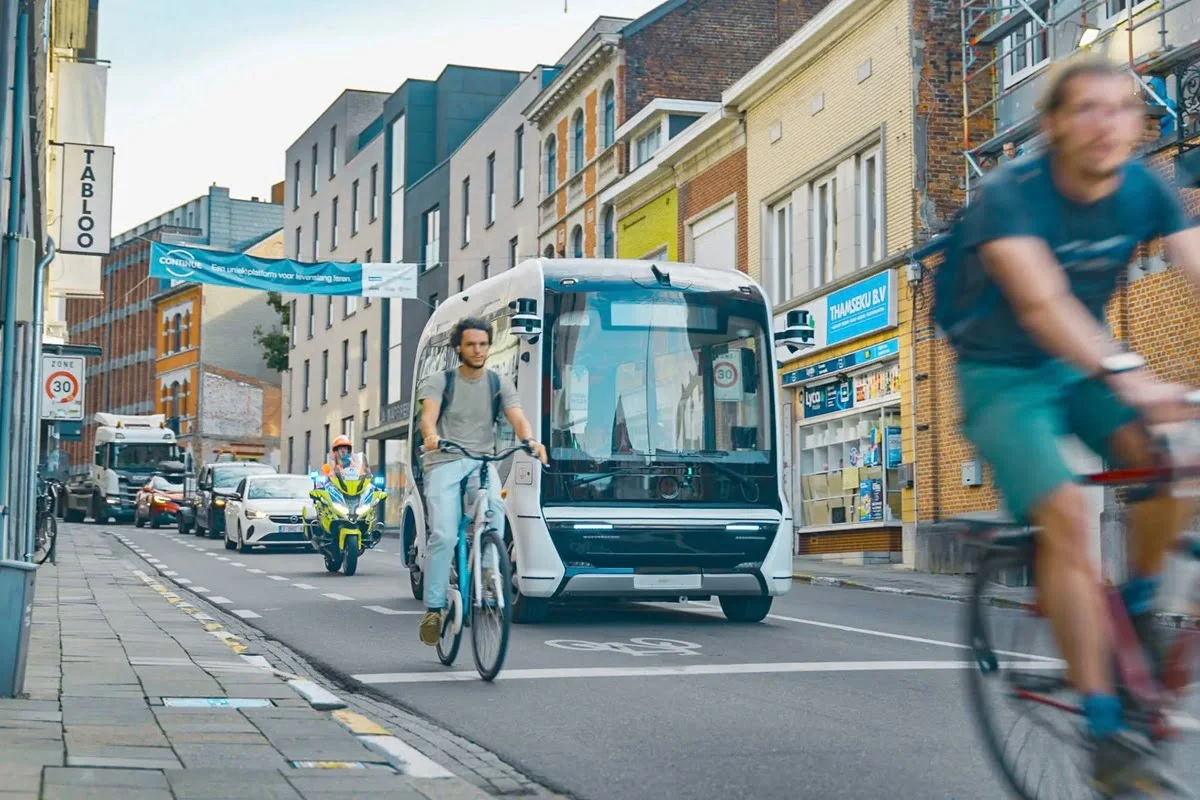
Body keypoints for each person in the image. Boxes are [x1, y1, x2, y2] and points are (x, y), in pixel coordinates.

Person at [948, 53, 1200, 797]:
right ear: (1054, 125)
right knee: (1065, 513)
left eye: (1122, 108)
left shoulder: (1144, 188)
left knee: (1170, 459)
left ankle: (1145, 606)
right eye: (1085, 109)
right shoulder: (1009, 197)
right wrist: (1133, 376)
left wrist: (1134, 385)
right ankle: (1102, 730)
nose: (1106, 124)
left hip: (1082, 366)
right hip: (1003, 374)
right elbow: (1044, 306)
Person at [416, 317, 548, 645]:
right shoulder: (439, 381)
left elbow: (517, 417)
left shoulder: (497, 383)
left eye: (483, 344)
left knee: (495, 508)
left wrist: (530, 440)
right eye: (471, 344)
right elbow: (428, 418)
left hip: (480, 460)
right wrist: (431, 435)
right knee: (445, 535)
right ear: (458, 347)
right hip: (444, 461)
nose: (478, 350)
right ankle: (434, 608)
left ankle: (488, 573)